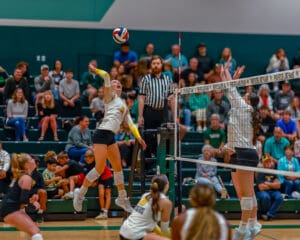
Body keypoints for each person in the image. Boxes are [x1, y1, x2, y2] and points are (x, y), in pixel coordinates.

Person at [73, 65, 146, 213]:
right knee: (99, 169)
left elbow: (131, 124)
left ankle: (121, 198)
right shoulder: (109, 97)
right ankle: (80, 193)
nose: (116, 83)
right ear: (110, 88)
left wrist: (139, 138)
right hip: (101, 134)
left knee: (118, 168)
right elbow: (106, 75)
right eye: (113, 83)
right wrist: (96, 70)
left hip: (111, 136)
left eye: (118, 83)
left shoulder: (124, 105)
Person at [221, 65, 262, 239]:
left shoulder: (245, 108)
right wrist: (233, 77)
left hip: (245, 153)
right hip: (239, 152)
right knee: (245, 193)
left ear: (248, 101)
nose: (241, 97)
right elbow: (230, 88)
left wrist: (225, 71)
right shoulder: (243, 109)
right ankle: (253, 224)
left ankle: (244, 229)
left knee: (246, 195)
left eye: (244, 96)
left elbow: (227, 85)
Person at [138, 55, 174, 166]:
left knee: (165, 138)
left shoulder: (168, 80)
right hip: (149, 112)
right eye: (154, 63)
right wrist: (140, 115)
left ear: (161, 65)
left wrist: (174, 116)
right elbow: (142, 98)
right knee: (148, 137)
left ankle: (165, 166)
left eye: (158, 63)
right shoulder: (145, 79)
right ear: (151, 65)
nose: (156, 65)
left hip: (163, 113)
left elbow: (171, 99)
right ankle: (147, 167)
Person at [0, 153, 43, 240]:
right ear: (27, 164)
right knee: (35, 232)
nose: (34, 160)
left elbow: (20, 198)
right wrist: (33, 204)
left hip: (8, 208)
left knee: (33, 232)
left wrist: (31, 200)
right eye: (31, 159)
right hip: (10, 209)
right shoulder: (26, 178)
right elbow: (23, 200)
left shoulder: (23, 176)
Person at [120, 174, 172, 240]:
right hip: (134, 235)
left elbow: (148, 221)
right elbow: (164, 230)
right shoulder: (166, 203)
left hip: (123, 232)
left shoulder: (145, 196)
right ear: (167, 185)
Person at [256, 155, 283, 221]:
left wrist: (267, 184)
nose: (268, 163)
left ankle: (269, 214)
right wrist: (273, 185)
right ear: (263, 163)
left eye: (269, 162)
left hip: (273, 191)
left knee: (279, 197)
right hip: (261, 192)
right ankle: (264, 213)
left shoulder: (273, 172)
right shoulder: (260, 173)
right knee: (266, 197)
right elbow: (261, 187)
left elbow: (278, 185)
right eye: (266, 162)